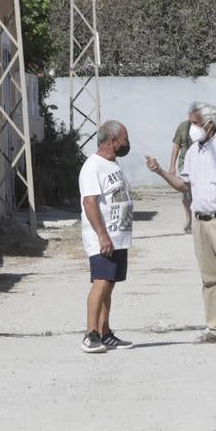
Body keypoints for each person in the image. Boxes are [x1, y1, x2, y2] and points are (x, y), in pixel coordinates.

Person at [145, 101, 216, 345]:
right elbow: (185, 185)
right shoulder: (194, 152)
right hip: (200, 221)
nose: (191, 128)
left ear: (209, 123)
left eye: (195, 123)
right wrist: (161, 172)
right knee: (209, 278)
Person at [77, 120, 135, 353]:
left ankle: (105, 332)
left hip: (118, 236)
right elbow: (89, 202)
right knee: (100, 283)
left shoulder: (112, 164)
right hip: (103, 237)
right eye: (124, 139)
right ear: (113, 141)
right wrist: (102, 235)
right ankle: (91, 334)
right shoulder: (93, 166)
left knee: (109, 285)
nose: (127, 143)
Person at [169, 116, 193, 233]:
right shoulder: (183, 126)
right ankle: (188, 218)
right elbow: (176, 146)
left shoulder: (206, 125)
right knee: (186, 193)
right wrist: (172, 166)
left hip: (202, 162)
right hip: (185, 164)